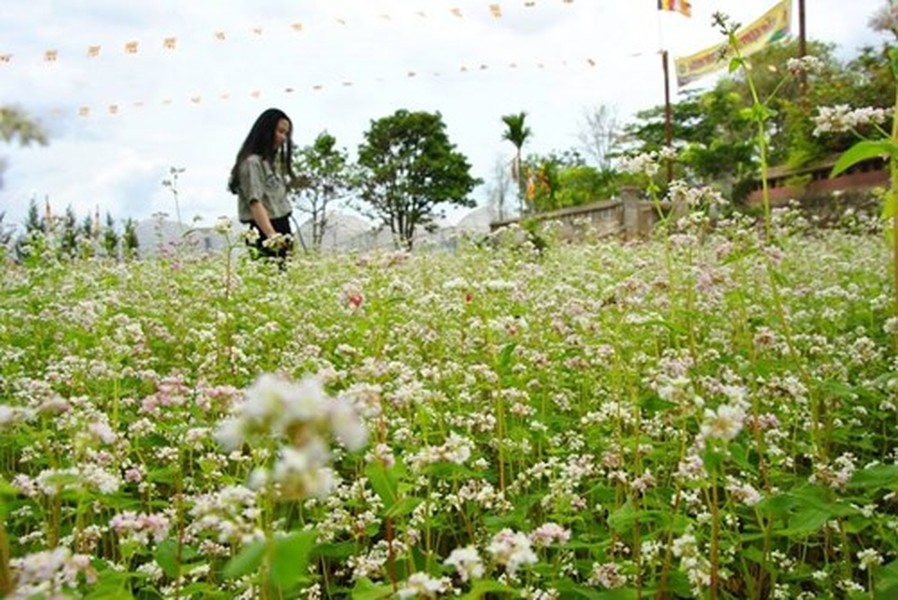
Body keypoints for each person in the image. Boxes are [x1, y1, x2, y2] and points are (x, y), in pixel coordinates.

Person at [228, 108, 297, 262]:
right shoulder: (252, 163)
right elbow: (255, 202)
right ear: (266, 131)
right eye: (280, 131)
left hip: (282, 226)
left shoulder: (270, 164)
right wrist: (272, 236)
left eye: (286, 133)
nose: (283, 138)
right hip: (265, 230)